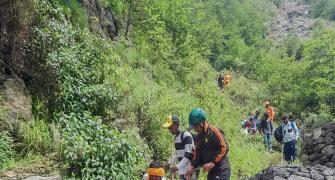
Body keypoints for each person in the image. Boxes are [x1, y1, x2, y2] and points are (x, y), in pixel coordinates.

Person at [185, 108, 230, 180]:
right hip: (212, 171)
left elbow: (224, 147)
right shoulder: (199, 136)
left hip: (222, 169)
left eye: (196, 127)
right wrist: (192, 166)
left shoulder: (213, 131)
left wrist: (213, 163)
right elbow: (198, 154)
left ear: (202, 122)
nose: (195, 130)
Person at [162, 115, 198, 180]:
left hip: (190, 170)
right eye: (168, 128)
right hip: (182, 171)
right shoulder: (176, 138)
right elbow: (178, 153)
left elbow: (189, 154)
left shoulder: (186, 135)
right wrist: (169, 163)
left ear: (177, 125)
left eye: (171, 127)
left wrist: (177, 167)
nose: (170, 130)